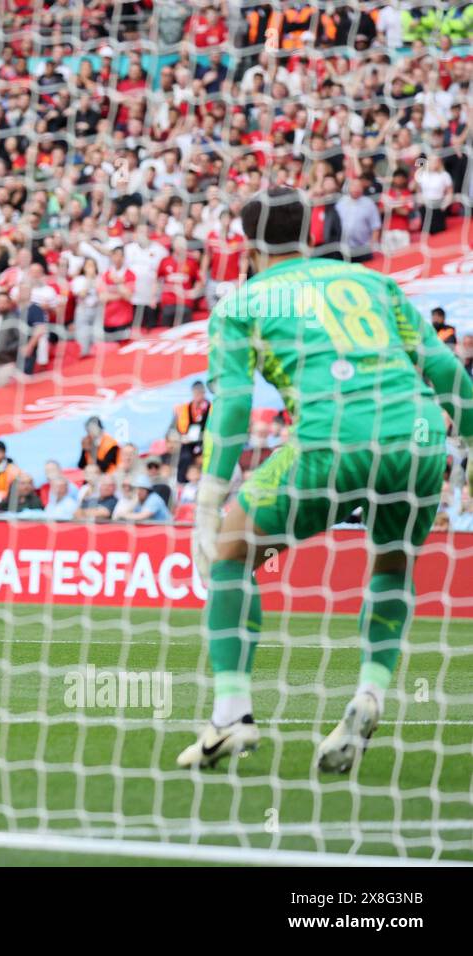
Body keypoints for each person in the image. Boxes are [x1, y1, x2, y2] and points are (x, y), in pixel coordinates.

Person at [181, 187, 473, 772]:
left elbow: (235, 406)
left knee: (234, 552)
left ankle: (231, 715)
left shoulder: (242, 303)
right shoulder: (370, 282)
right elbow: (443, 369)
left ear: (249, 246)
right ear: (311, 235)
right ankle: (369, 689)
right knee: (392, 563)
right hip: (416, 438)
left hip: (329, 441)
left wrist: (208, 499)